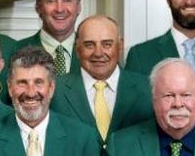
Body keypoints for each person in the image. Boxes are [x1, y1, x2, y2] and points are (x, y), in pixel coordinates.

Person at [49, 15, 153, 145]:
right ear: (77, 49)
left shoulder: (148, 88)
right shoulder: (54, 90)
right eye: (89, 45)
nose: (98, 53)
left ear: (120, 46)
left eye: (107, 44)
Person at [11, 0, 84, 76]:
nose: (59, 9)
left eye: (67, 0)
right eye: (51, 1)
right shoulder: (15, 52)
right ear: (38, 7)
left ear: (78, 7)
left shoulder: (93, 53)